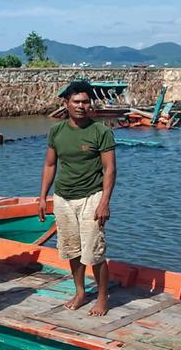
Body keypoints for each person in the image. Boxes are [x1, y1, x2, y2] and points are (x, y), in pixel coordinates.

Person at [37, 80, 116, 316]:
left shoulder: (100, 131)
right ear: (66, 104)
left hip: (92, 197)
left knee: (94, 251)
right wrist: (42, 197)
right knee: (71, 250)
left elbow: (110, 169)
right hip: (63, 198)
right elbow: (50, 164)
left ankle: (103, 298)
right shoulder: (56, 131)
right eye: (76, 102)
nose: (81, 106)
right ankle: (80, 291)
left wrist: (104, 202)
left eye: (85, 102)